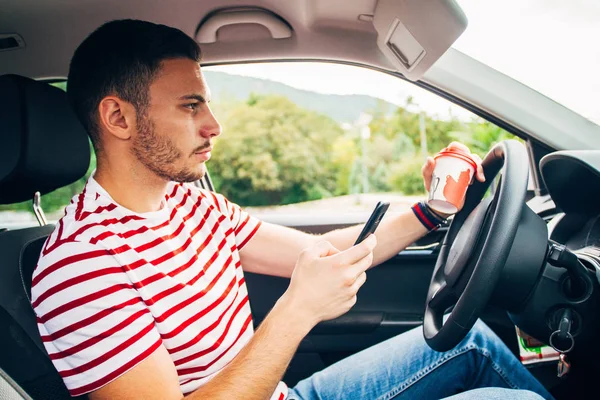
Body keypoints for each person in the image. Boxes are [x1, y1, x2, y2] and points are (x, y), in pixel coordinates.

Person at [31, 19, 552, 400]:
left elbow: (321, 252)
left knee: (476, 342)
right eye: (191, 106)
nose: (214, 125)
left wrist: (432, 211)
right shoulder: (81, 265)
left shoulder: (192, 202)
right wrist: (299, 309)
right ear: (118, 117)